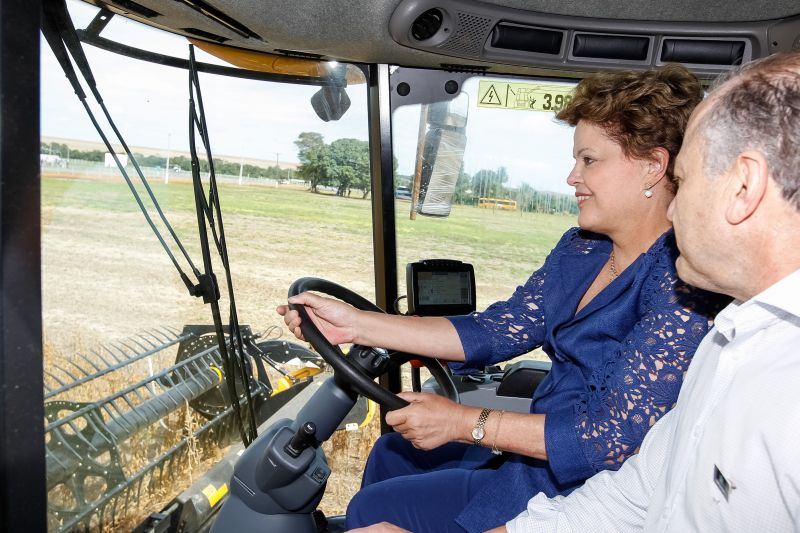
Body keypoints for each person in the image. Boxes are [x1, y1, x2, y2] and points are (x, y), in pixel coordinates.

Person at [351, 51, 800, 533]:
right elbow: (502, 328)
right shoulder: (582, 248)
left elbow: (611, 439)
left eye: (589, 160)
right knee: (392, 451)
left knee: (370, 509)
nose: (572, 177)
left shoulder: (687, 286)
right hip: (539, 465)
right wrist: (355, 322)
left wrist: (467, 424)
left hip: (571, 475)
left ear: (654, 168)